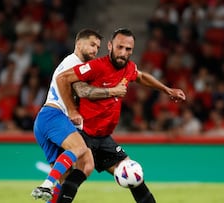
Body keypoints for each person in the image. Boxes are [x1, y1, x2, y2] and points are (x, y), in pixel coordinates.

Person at [56, 28, 186, 203]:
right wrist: (72, 110)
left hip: (104, 138)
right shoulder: (96, 66)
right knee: (82, 170)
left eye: (128, 49)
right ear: (110, 46)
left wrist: (167, 90)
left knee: (133, 175)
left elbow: (140, 77)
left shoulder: (129, 68)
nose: (123, 53)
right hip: (83, 134)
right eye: (120, 47)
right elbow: (63, 78)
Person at [31, 28, 127, 202]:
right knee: (80, 148)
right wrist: (112, 91)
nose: (95, 50)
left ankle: (52, 190)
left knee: (84, 166)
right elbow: (77, 89)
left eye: (97, 47)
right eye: (91, 44)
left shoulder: (75, 65)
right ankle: (46, 184)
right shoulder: (73, 63)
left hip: (45, 120)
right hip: (54, 115)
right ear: (78, 44)